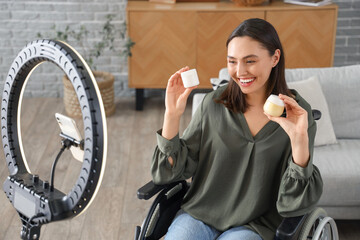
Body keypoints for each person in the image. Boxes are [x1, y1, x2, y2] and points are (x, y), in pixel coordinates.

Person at [151, 18, 323, 240]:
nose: (240, 71)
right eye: (232, 61)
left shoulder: (297, 115)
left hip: (255, 225)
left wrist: (298, 138)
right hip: (200, 214)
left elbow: (294, 203)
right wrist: (172, 115)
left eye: (250, 61)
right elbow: (171, 172)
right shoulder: (213, 104)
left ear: (275, 58)